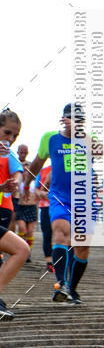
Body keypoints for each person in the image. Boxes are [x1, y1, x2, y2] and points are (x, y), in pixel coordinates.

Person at [22, 103, 101, 304]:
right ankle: (61, 283)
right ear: (63, 119)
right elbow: (37, 164)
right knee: (60, 233)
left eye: (79, 120)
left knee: (82, 247)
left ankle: (72, 289)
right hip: (60, 197)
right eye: (71, 118)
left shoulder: (89, 138)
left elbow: (99, 152)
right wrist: (26, 185)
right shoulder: (50, 138)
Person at [0, 111, 30, 317]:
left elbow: (18, 172)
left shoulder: (7, 153)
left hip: (3, 208)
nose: (10, 139)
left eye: (14, 136)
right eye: (6, 133)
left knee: (20, 249)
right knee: (21, 249)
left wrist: (14, 184)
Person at [34, 164, 53, 273]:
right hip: (46, 206)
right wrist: (43, 193)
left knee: (64, 235)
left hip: (63, 207)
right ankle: (49, 263)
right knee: (47, 235)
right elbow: (36, 190)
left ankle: (65, 261)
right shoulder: (44, 171)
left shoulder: (69, 167)